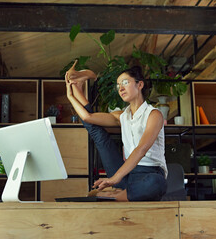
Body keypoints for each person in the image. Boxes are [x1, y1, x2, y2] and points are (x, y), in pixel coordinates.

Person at [65, 64, 167, 201]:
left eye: (125, 82)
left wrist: (114, 179)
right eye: (118, 85)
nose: (121, 88)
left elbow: (140, 150)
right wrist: (71, 95)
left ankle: (114, 195)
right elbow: (88, 118)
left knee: (157, 183)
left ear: (140, 84)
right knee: (97, 132)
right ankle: (78, 84)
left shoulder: (154, 115)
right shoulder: (122, 116)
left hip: (149, 173)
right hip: (126, 175)